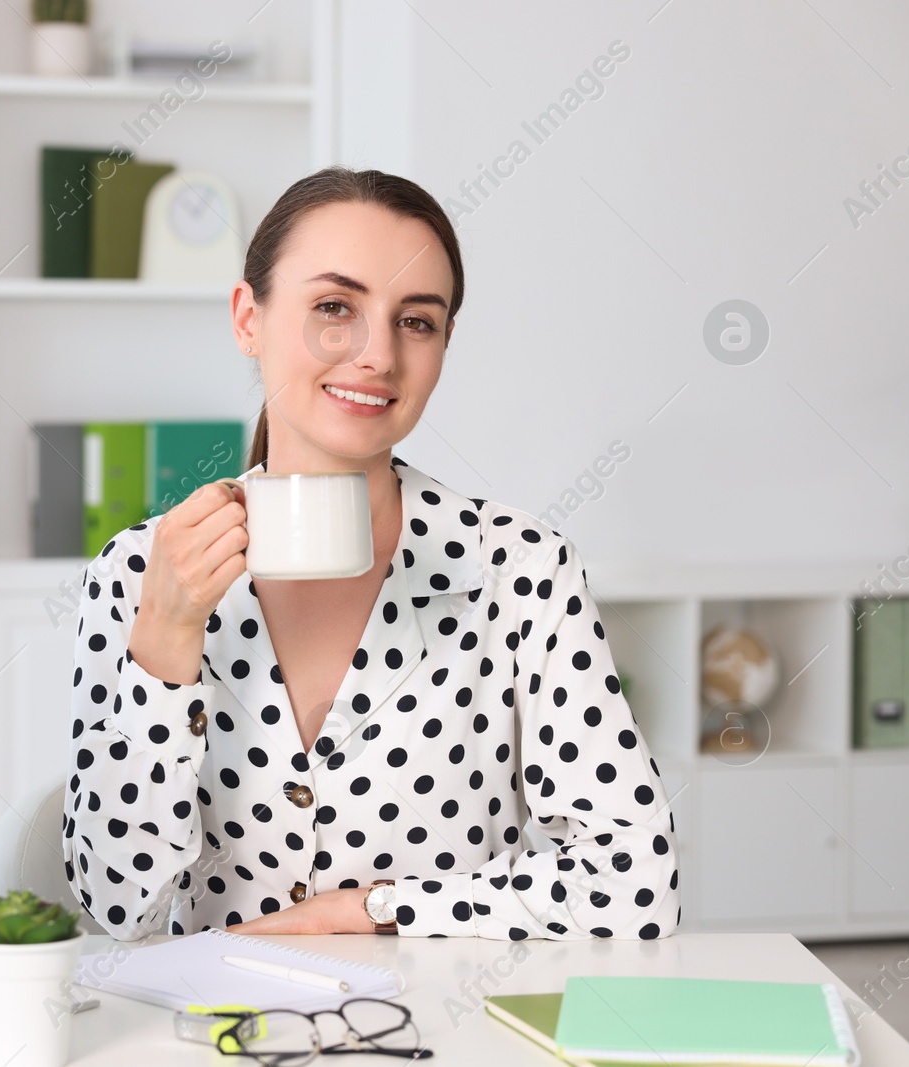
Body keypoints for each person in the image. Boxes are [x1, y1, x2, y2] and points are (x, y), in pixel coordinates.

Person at [61, 166, 679, 941]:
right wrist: (166, 636)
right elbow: (118, 910)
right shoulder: (137, 570)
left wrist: (361, 912)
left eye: (416, 321)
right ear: (248, 318)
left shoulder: (521, 568)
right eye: (333, 308)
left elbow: (635, 883)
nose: (378, 355)